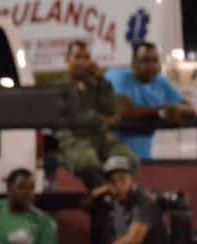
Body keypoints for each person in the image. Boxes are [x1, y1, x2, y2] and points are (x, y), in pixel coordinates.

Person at [55, 40, 139, 189]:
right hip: (75, 139)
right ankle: (104, 200)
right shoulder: (59, 86)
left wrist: (101, 79)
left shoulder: (97, 84)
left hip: (102, 138)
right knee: (88, 163)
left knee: (129, 159)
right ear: (67, 59)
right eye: (78, 57)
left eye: (86, 57)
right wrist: (101, 120)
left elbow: (111, 109)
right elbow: (72, 115)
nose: (82, 62)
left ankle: (124, 199)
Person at [105, 42, 197, 160]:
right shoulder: (117, 75)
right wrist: (162, 112)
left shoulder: (160, 82)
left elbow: (192, 110)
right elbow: (127, 111)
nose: (151, 66)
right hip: (112, 158)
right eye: (145, 61)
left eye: (155, 61)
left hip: (144, 160)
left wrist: (173, 110)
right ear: (133, 63)